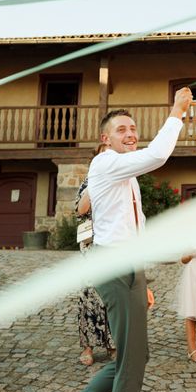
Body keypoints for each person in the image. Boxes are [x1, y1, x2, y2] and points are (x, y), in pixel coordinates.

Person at [65, 87, 192, 392]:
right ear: (105, 139)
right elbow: (158, 155)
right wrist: (177, 110)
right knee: (132, 359)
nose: (131, 133)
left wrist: (150, 273)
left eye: (134, 129)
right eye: (122, 129)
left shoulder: (126, 174)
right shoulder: (105, 162)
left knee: (136, 354)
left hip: (130, 270)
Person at [74, 144, 115, 367]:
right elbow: (81, 210)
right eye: (103, 152)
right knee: (89, 297)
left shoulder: (120, 181)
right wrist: (95, 180)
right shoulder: (88, 183)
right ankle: (87, 346)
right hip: (91, 247)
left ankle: (111, 344)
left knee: (111, 296)